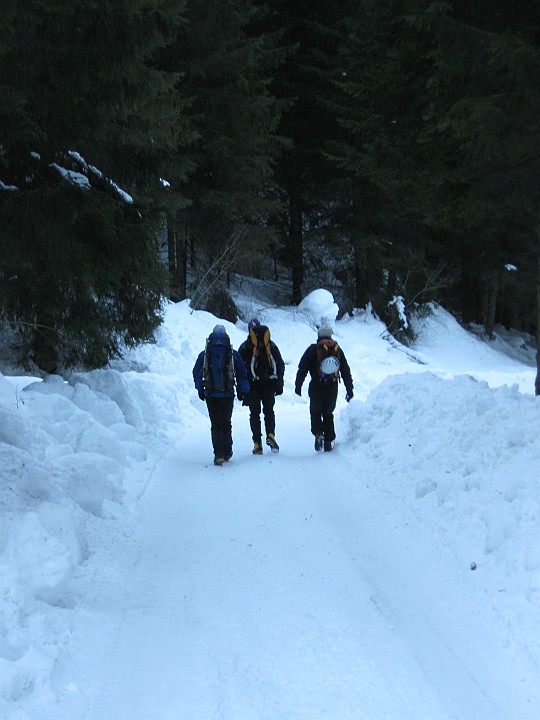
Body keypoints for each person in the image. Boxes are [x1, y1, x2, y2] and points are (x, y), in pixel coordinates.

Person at [193, 324, 250, 466]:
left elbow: (196, 372)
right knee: (226, 422)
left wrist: (200, 388)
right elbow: (242, 373)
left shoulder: (206, 354)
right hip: (228, 394)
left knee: (216, 424)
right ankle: (227, 450)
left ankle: (218, 454)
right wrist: (244, 391)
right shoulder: (232, 353)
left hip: (211, 394)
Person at [295, 325, 354, 452]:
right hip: (332, 388)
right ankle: (328, 442)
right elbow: (345, 371)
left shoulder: (312, 350)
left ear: (318, 335)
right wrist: (350, 390)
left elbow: (302, 369)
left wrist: (298, 386)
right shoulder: (337, 350)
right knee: (328, 414)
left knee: (315, 413)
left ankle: (318, 433)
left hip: (316, 387)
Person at [238, 318, 285, 455]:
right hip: (269, 384)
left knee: (254, 414)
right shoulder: (270, 345)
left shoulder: (245, 346)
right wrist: (279, 383)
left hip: (252, 386)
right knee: (269, 411)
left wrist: (241, 389)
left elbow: (239, 369)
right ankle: (271, 435)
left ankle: (257, 443)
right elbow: (280, 364)